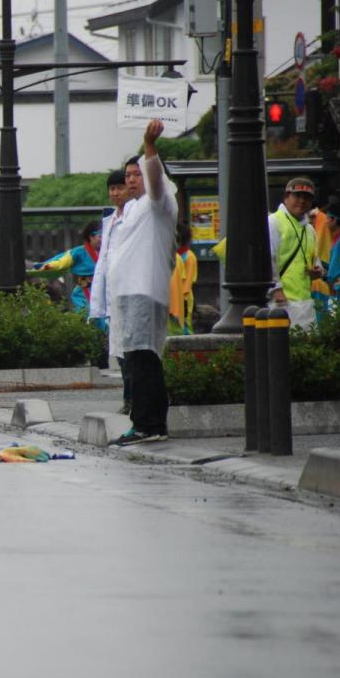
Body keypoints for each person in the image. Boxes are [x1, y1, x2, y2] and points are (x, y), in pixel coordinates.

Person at [105, 120, 178, 446]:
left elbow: (156, 181)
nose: (132, 179)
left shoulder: (160, 202)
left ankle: (147, 424)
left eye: (138, 174)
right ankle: (149, 423)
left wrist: (149, 144)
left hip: (144, 291)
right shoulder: (132, 209)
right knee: (135, 358)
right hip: (127, 294)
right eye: (128, 175)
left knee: (144, 358)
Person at [89, 168, 130, 411]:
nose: (115, 193)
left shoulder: (134, 217)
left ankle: (134, 400)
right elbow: (103, 264)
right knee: (120, 353)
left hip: (130, 294)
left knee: (132, 353)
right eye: (112, 189)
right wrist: (97, 307)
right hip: (114, 298)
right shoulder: (111, 220)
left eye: (119, 188)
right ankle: (128, 400)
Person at [267, 177, 324, 330]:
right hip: (280, 301)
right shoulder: (273, 222)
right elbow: (268, 258)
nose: (302, 201)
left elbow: (314, 259)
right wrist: (276, 289)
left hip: (305, 302)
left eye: (307, 198)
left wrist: (318, 270)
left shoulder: (309, 229)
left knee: (306, 343)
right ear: (286, 197)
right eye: (297, 196)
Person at [32, 220, 101, 316]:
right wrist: (49, 266)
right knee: (86, 315)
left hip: (103, 292)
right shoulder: (79, 252)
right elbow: (62, 261)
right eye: (100, 236)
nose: (104, 239)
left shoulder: (107, 253)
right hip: (84, 292)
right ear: (91, 236)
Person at [168, 221, 198, 336]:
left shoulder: (189, 257)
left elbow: (188, 282)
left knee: (185, 325)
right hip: (176, 294)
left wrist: (183, 299)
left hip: (184, 296)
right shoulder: (177, 256)